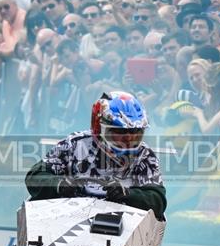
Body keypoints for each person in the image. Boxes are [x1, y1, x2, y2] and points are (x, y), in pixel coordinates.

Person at [25, 91, 167, 222]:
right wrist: (60, 184)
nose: (129, 140)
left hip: (122, 225)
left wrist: (127, 194)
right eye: (120, 132)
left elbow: (158, 200)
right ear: (99, 129)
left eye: (136, 132)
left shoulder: (145, 155)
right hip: (67, 220)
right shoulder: (74, 144)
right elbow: (34, 177)